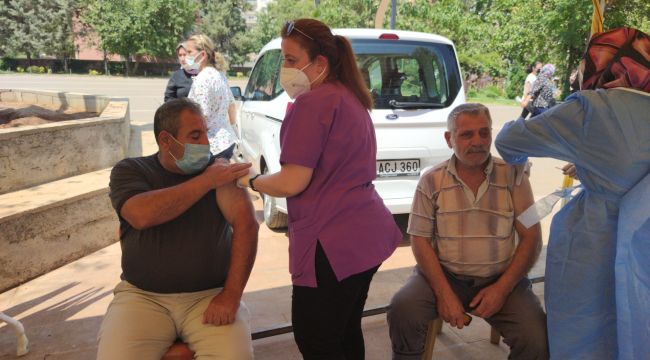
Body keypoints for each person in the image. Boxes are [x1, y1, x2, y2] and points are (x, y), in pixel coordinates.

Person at [237, 18, 401, 359]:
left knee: (316, 339)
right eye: (284, 59)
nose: (285, 68)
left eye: (291, 59)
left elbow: (292, 181)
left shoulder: (313, 104)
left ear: (320, 63)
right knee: (344, 329)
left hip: (333, 242)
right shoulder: (350, 97)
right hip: (365, 235)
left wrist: (249, 180)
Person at [495, 27, 650, 360]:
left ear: (599, 61)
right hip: (644, 244)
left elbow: (509, 140)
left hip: (594, 243)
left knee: (586, 336)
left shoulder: (591, 110)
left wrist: (526, 161)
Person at [97, 98, 258, 359]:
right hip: (142, 297)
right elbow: (141, 215)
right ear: (165, 140)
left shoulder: (218, 173)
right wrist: (206, 182)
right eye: (195, 135)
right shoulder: (132, 170)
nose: (205, 143)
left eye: (205, 133)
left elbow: (247, 227)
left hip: (208, 297)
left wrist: (231, 296)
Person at [388, 103, 548, 360]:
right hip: (445, 275)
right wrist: (444, 293)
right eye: (466, 134)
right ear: (449, 139)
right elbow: (419, 240)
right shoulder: (432, 180)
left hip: (501, 278)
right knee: (402, 309)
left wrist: (503, 288)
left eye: (484, 133)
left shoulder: (514, 176)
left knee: (537, 338)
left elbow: (532, 237)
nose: (478, 142)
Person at [186, 34, 237, 159]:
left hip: (211, 148)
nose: (186, 57)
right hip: (226, 142)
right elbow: (232, 107)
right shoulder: (220, 75)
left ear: (202, 55)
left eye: (189, 52)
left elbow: (201, 117)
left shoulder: (202, 80)